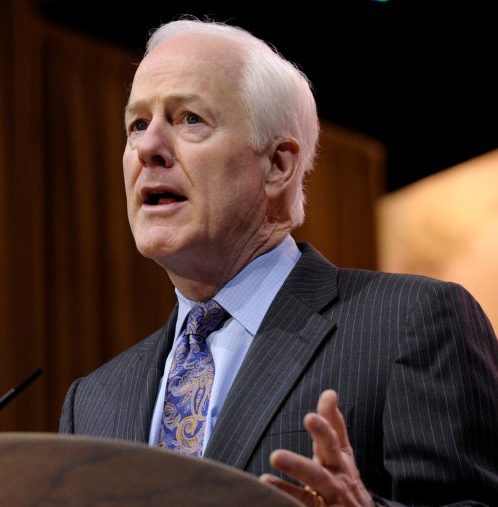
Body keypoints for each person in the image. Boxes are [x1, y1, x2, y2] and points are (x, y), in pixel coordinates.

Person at [59, 17, 498, 507]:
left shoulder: (411, 324)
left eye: (189, 119)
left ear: (278, 166)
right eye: (137, 124)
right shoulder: (93, 403)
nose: (148, 148)